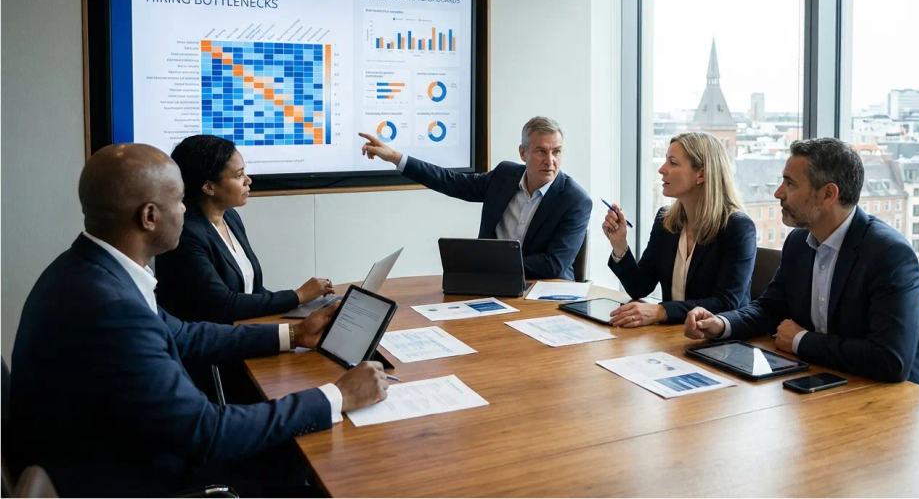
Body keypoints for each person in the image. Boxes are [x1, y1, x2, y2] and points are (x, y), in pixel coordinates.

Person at [9, 144, 389, 496]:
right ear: (150, 216)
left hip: (110, 450)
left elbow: (185, 334)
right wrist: (338, 395)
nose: (186, 211)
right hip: (130, 476)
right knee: (318, 465)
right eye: (178, 201)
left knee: (295, 455)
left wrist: (294, 332)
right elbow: (205, 432)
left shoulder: (89, 270)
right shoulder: (109, 306)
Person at [684, 138, 919, 388]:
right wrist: (722, 324)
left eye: (790, 184)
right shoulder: (799, 242)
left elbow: (890, 360)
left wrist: (801, 341)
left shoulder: (889, 254)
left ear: (828, 194)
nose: (778, 193)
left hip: (899, 403)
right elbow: (770, 308)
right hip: (831, 382)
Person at [359, 116, 592, 280]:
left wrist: (491, 263)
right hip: (491, 284)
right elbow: (451, 181)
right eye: (541, 151)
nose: (550, 161)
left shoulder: (575, 200)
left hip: (546, 293)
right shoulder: (504, 176)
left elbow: (553, 265)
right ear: (523, 152)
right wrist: (396, 158)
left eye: (556, 151)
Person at [156, 134, 333, 323]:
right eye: (239, 175)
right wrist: (298, 295)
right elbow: (222, 305)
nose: (248, 180)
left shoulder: (230, 217)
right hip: (206, 344)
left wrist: (300, 305)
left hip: (241, 329)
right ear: (208, 187)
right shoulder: (186, 234)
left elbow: (253, 291)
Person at [602, 132, 756, 328]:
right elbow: (640, 286)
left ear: (701, 174)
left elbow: (726, 303)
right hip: (671, 336)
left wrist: (661, 311)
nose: (661, 169)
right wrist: (619, 244)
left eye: (673, 163)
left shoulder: (737, 227)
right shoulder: (665, 221)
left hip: (717, 342)